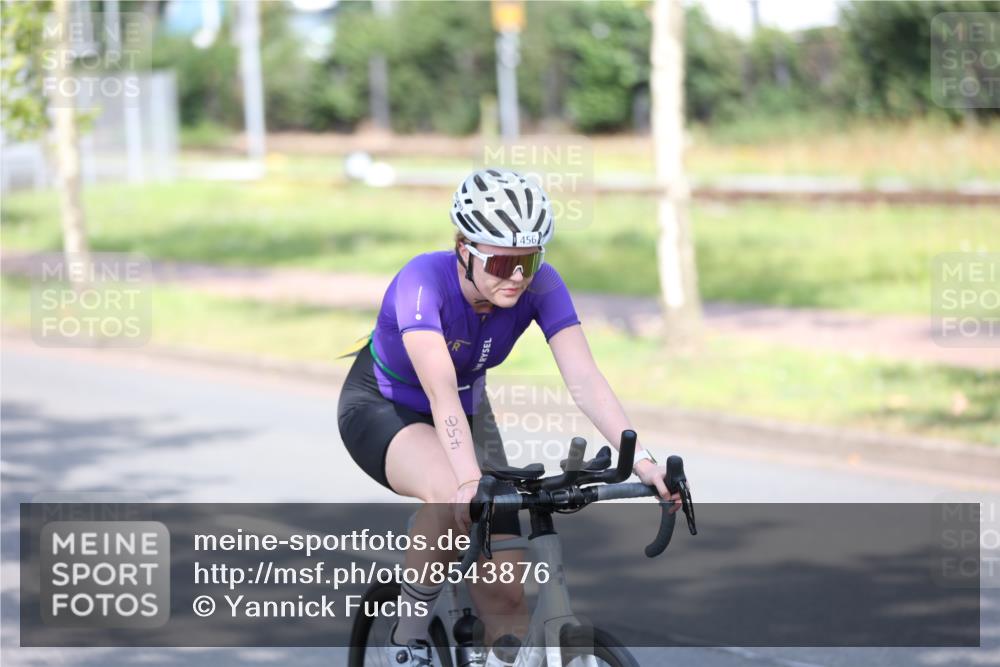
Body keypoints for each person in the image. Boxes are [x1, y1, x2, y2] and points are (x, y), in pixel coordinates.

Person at [337, 168, 679, 666]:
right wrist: (469, 481)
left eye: (529, 260)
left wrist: (645, 463)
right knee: (448, 495)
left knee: (506, 592)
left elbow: (584, 379)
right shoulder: (420, 282)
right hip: (386, 406)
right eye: (501, 261)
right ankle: (404, 646)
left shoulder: (541, 285)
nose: (517, 276)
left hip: (468, 407)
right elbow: (439, 395)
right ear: (463, 248)